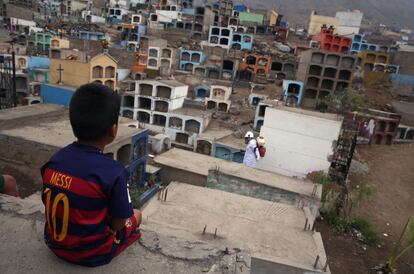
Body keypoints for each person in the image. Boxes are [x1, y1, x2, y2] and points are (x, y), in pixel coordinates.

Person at [40, 83, 142, 267]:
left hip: (54, 244)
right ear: (113, 130)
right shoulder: (114, 172)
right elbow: (119, 222)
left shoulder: (54, 161)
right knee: (137, 215)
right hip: (93, 254)